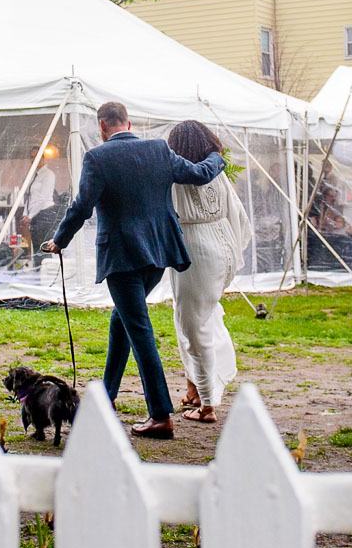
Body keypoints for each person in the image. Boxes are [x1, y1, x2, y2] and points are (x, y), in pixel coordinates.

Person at [40, 101, 224, 438]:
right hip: (158, 252)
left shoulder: (97, 158)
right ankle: (106, 397)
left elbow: (82, 206)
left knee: (139, 330)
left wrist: (59, 241)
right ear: (129, 122)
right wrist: (216, 154)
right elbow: (199, 174)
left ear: (101, 126)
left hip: (122, 256)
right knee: (122, 321)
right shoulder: (159, 149)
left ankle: (160, 415)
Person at [165, 120, 250, 423]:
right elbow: (237, 214)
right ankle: (196, 390)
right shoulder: (217, 173)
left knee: (193, 326)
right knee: (199, 316)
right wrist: (232, 248)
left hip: (195, 251)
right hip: (223, 245)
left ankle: (208, 404)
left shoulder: (175, 176)